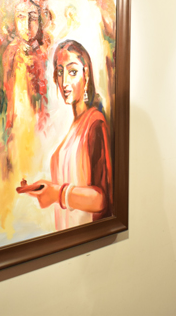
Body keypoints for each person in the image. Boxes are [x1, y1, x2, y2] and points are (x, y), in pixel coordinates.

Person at [19, 40, 113, 230]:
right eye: (60, 72)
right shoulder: (76, 126)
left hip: (88, 236)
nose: (64, 82)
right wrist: (45, 189)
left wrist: (57, 194)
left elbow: (101, 199)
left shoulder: (95, 124)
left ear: (86, 76)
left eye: (72, 72)